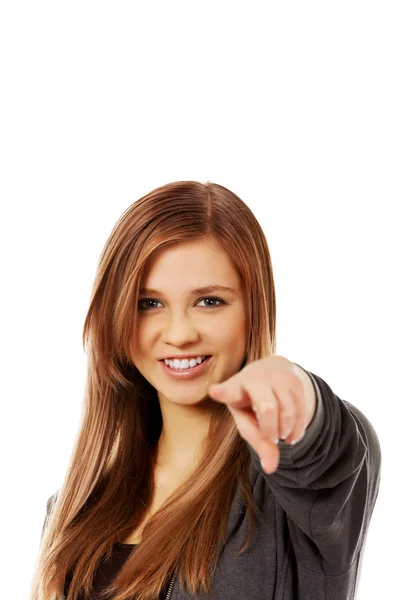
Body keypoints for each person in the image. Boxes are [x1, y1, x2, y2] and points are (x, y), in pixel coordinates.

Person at [30, 180, 381, 600]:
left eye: (209, 301)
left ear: (254, 311)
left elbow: (326, 451)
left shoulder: (295, 494)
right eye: (149, 303)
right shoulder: (76, 503)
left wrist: (300, 400)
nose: (178, 334)